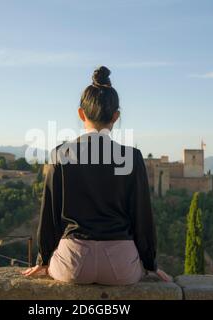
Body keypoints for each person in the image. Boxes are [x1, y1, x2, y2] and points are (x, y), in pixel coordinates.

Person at [23, 66, 171, 284]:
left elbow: (49, 216)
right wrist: (150, 264)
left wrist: (43, 259)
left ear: (81, 113)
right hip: (121, 268)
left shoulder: (60, 154)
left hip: (72, 265)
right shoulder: (132, 157)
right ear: (116, 116)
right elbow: (142, 217)